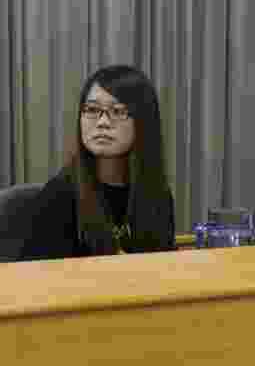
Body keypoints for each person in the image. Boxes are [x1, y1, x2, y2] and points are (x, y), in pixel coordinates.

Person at [17, 66, 176, 260]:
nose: (102, 122)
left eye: (118, 111)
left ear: (143, 121)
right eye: (92, 110)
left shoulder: (157, 194)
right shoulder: (59, 197)